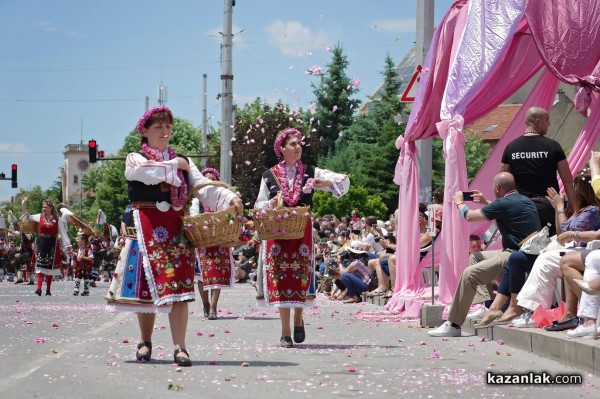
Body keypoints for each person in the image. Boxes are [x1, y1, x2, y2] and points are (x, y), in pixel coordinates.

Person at [105, 105, 242, 367]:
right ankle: (145, 340)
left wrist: (229, 197)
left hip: (175, 230)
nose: (165, 132)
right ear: (144, 131)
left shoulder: (184, 163)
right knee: (146, 288)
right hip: (144, 228)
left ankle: (180, 347)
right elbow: (146, 172)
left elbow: (203, 187)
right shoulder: (135, 158)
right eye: (158, 127)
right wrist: (176, 165)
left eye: (168, 127)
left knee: (179, 289)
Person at [255, 127, 349, 348]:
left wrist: (323, 184)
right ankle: (285, 331)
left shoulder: (310, 171)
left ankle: (298, 317)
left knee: (299, 275)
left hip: (301, 230)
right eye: (293, 144)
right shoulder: (268, 175)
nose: (298, 147)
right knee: (279, 277)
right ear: (281, 149)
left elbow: (343, 181)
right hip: (277, 232)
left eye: (299, 143)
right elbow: (259, 204)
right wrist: (272, 202)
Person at [476, 170, 600, 327]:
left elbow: (567, 231)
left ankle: (528, 309)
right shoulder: (582, 211)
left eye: (574, 189)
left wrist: (561, 209)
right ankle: (510, 308)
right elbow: (563, 231)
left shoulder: (592, 210)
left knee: (538, 260)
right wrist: (558, 209)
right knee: (518, 259)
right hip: (572, 250)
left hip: (582, 251)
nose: (571, 193)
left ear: (581, 191)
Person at [428, 172, 540, 337]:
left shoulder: (503, 203)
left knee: (469, 274)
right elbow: (501, 216)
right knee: (475, 257)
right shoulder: (524, 200)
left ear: (497, 188)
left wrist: (459, 202)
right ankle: (488, 305)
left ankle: (453, 324)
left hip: (514, 255)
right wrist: (485, 202)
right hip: (525, 252)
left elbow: (469, 216)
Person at [500, 106, 575, 236]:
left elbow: (502, 181)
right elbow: (567, 181)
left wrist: (504, 207)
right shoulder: (553, 146)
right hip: (549, 205)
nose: (549, 123)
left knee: (525, 246)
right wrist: (572, 205)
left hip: (523, 206)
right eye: (547, 119)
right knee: (552, 246)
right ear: (538, 122)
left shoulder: (511, 147)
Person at [191, 167, 234, 320]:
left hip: (220, 240)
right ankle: (205, 304)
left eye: (213, 179)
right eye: (207, 179)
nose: (210, 181)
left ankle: (214, 307)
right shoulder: (197, 199)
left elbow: (229, 216)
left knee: (217, 272)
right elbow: (194, 217)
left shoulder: (224, 198)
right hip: (202, 240)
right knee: (202, 274)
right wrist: (208, 216)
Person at [21, 197, 72, 296]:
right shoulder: (39, 217)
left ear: (50, 208)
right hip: (41, 242)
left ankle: (48, 290)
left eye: (45, 207)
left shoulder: (57, 220)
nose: (43, 209)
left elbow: (63, 232)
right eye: (42, 207)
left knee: (49, 266)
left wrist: (68, 244)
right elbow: (27, 217)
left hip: (52, 243)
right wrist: (23, 205)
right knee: (40, 264)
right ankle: (39, 289)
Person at [72, 230, 94, 296]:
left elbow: (91, 257)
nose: (77, 241)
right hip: (79, 266)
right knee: (77, 277)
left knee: (86, 277)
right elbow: (78, 255)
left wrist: (84, 257)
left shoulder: (88, 249)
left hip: (86, 266)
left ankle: (86, 291)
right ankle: (76, 290)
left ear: (83, 241)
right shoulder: (79, 249)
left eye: (79, 239)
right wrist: (72, 252)